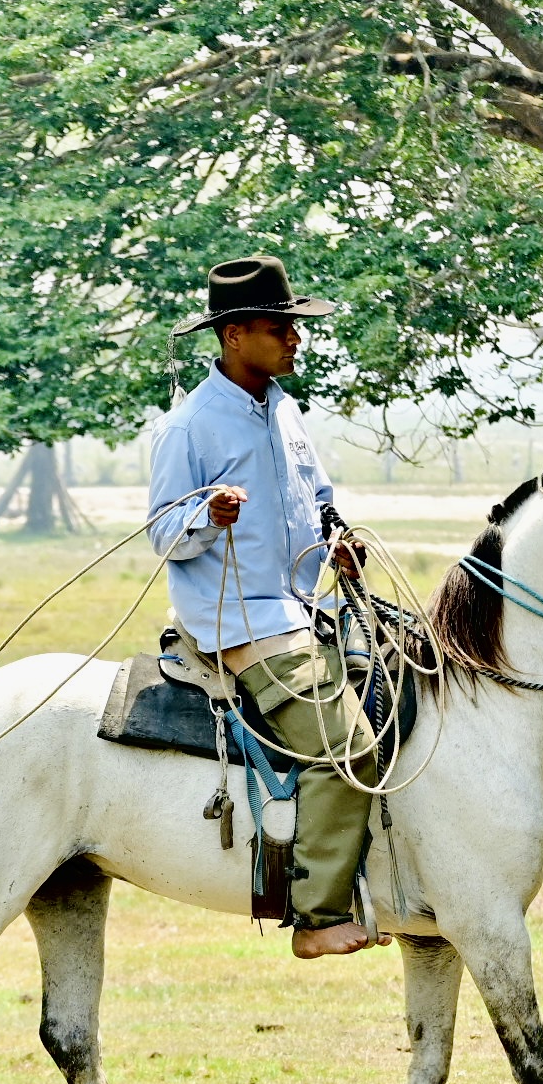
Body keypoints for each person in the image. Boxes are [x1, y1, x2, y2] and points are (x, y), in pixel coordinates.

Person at [148, 255, 378, 959]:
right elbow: (162, 533)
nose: (294, 338)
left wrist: (336, 541)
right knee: (351, 750)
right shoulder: (189, 428)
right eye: (279, 327)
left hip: (302, 608)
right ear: (234, 335)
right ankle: (317, 917)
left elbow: (317, 499)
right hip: (241, 623)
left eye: (294, 326)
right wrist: (206, 517)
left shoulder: (286, 412)